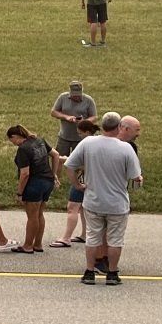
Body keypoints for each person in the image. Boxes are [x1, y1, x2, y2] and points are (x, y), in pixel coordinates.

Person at [67, 111, 144, 286]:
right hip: (117, 204)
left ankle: (89, 271)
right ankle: (112, 272)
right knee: (115, 240)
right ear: (118, 127)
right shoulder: (126, 148)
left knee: (93, 237)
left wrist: (78, 185)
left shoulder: (88, 143)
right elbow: (135, 176)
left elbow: (70, 165)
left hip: (93, 201)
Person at [5, 124, 54, 254]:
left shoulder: (23, 149)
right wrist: (54, 174)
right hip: (48, 181)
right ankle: (38, 244)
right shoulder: (40, 140)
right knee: (39, 214)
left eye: (12, 141)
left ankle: (27, 245)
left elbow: (25, 174)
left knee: (32, 216)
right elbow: (55, 155)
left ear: (15, 136)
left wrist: (19, 193)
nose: (13, 143)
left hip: (34, 184)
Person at [55, 116, 97, 247]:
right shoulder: (99, 142)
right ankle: (85, 234)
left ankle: (66, 238)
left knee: (72, 207)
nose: (79, 136)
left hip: (83, 179)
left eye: (80, 133)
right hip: (94, 181)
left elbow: (78, 165)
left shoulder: (86, 144)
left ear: (87, 132)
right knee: (83, 208)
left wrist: (63, 160)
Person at [51, 79, 95, 163]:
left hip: (80, 138)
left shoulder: (88, 100)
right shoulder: (62, 98)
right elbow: (53, 112)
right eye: (74, 95)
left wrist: (84, 122)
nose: (76, 97)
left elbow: (94, 116)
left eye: (78, 95)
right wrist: (66, 117)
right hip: (64, 136)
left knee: (79, 161)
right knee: (59, 159)